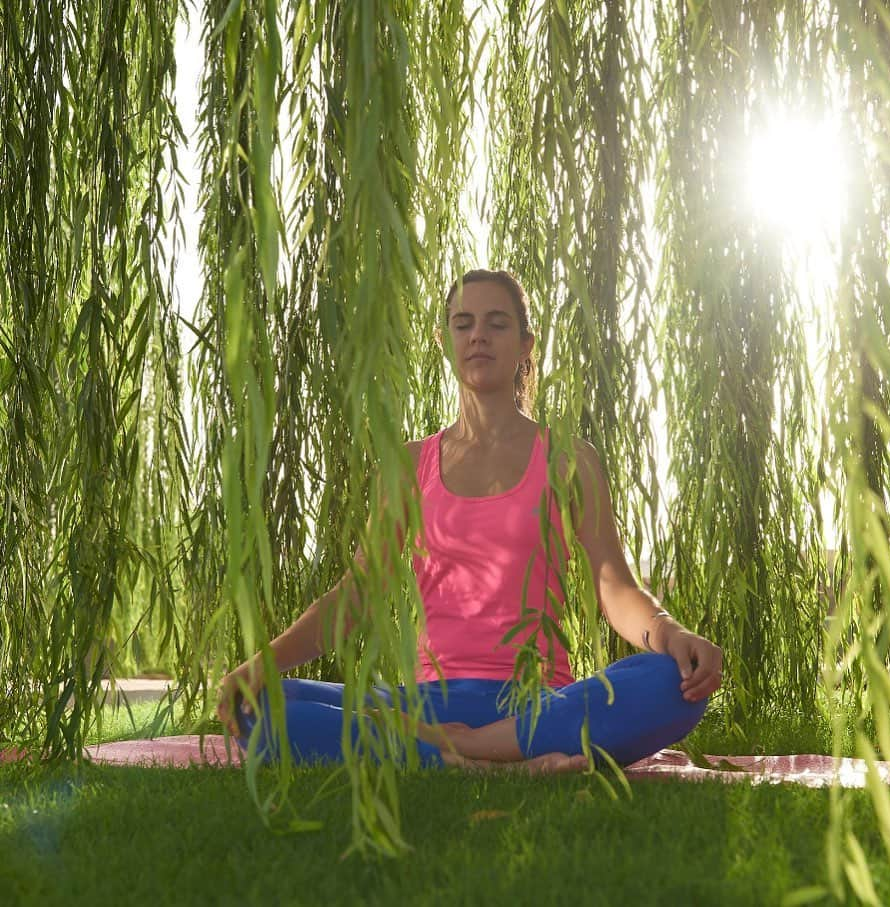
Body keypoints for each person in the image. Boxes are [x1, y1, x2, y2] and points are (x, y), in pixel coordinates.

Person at [217, 269, 723, 774]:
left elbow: (615, 588)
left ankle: (468, 750)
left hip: (534, 704)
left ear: (525, 343)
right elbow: (357, 598)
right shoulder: (407, 466)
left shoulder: (570, 458)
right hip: (425, 705)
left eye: (497, 323)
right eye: (463, 323)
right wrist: (263, 661)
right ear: (446, 341)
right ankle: (493, 762)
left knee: (669, 683)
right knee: (258, 706)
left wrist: (671, 633)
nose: (478, 334)